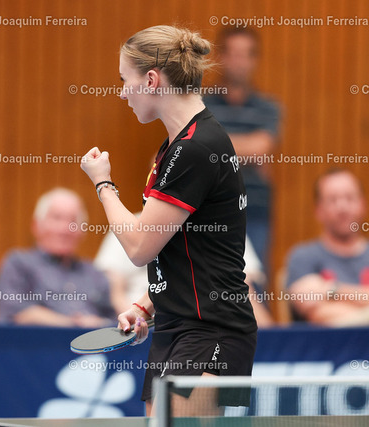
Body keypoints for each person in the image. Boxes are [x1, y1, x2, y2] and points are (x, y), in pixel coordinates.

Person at [80, 25, 257, 416]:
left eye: (124, 80)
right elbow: (188, 251)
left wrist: (103, 184)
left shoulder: (196, 148)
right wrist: (147, 304)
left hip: (212, 329)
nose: (122, 93)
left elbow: (139, 248)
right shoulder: (178, 146)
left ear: (151, 80)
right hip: (178, 325)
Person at [286, 169, 369, 326]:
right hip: (328, 342)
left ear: (363, 204)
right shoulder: (302, 257)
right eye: (332, 200)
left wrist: (332, 290)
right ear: (318, 210)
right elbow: (315, 313)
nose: (342, 207)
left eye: (350, 198)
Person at [204, 27, 281, 268]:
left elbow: (260, 148)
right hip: (208, 209)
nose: (239, 62)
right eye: (234, 54)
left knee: (254, 279)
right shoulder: (200, 104)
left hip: (254, 210)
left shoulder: (268, 108)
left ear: (254, 60)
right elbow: (195, 147)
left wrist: (213, 145)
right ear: (221, 57)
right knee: (209, 277)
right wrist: (245, 148)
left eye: (246, 54)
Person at [96, 228, 273, 327]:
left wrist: (271, 337)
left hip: (206, 329)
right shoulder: (130, 228)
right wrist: (139, 318)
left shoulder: (226, 231)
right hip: (153, 328)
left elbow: (243, 288)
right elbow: (116, 290)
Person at [0, 188, 115, 327]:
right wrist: (75, 324)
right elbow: (18, 314)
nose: (65, 229)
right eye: (56, 218)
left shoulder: (95, 273)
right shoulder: (18, 264)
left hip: (94, 340)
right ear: (36, 225)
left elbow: (113, 321)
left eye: (73, 221)